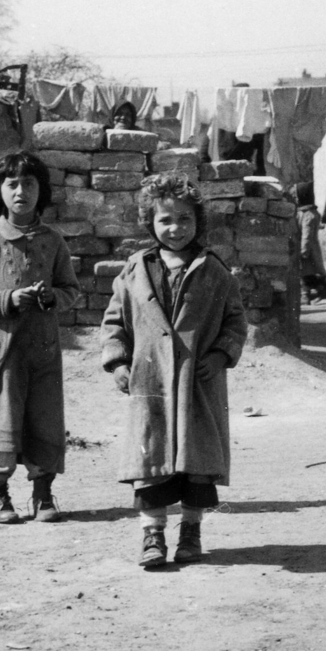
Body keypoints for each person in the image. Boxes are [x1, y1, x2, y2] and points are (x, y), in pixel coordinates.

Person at [100, 173, 247, 568]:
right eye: (165, 220)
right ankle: (152, 535)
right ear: (150, 223)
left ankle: (191, 533)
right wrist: (117, 361)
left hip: (198, 383)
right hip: (150, 383)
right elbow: (114, 321)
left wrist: (221, 355)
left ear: (198, 221)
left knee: (197, 463)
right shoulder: (135, 269)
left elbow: (235, 321)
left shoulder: (212, 269)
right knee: (150, 462)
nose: (176, 228)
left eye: (185, 219)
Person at [0, 151, 81, 525]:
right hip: (4, 349)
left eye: (29, 184)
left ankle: (43, 493)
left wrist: (51, 297)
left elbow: (70, 290)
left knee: (44, 417)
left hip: (44, 349)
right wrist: (7, 299)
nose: (20, 192)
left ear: (41, 190)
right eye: (12, 184)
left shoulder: (53, 240)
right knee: (2, 413)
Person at [296, 182, 326, 303]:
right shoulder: (307, 213)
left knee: (307, 274)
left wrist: (303, 251)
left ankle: (314, 292)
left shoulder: (309, 215)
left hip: (308, 249)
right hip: (309, 248)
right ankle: (309, 294)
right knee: (307, 274)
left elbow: (307, 235)